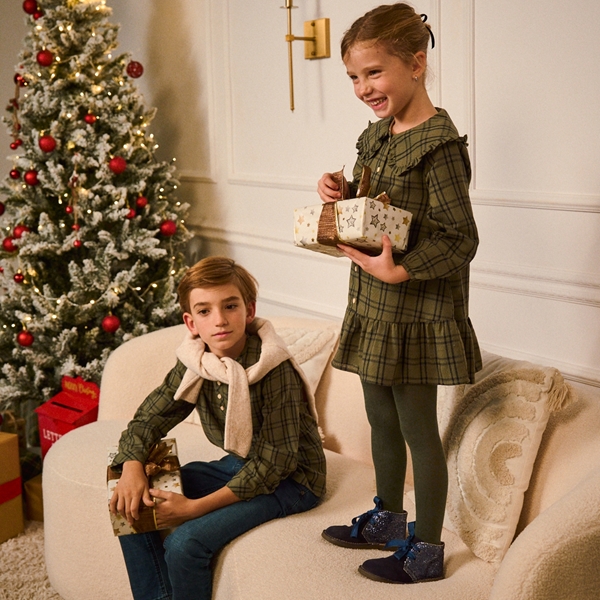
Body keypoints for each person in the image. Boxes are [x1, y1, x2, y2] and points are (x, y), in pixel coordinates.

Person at [317, 2, 481, 585]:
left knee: (415, 428)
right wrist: (338, 190)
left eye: (374, 74)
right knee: (378, 417)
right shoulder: (377, 136)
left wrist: (403, 273)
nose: (363, 88)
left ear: (416, 63)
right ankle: (388, 517)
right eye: (354, 77)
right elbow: (376, 205)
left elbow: (462, 238)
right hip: (372, 303)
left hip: (416, 309)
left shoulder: (439, 146)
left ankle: (428, 549)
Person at [109, 256, 326, 600]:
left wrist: (193, 508)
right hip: (241, 465)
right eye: (205, 310)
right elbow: (149, 418)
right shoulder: (197, 363)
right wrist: (132, 466)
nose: (220, 320)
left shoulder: (273, 368)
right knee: (128, 499)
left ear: (249, 310)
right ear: (190, 322)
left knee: (185, 543)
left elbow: (275, 464)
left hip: (293, 481)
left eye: (230, 306)